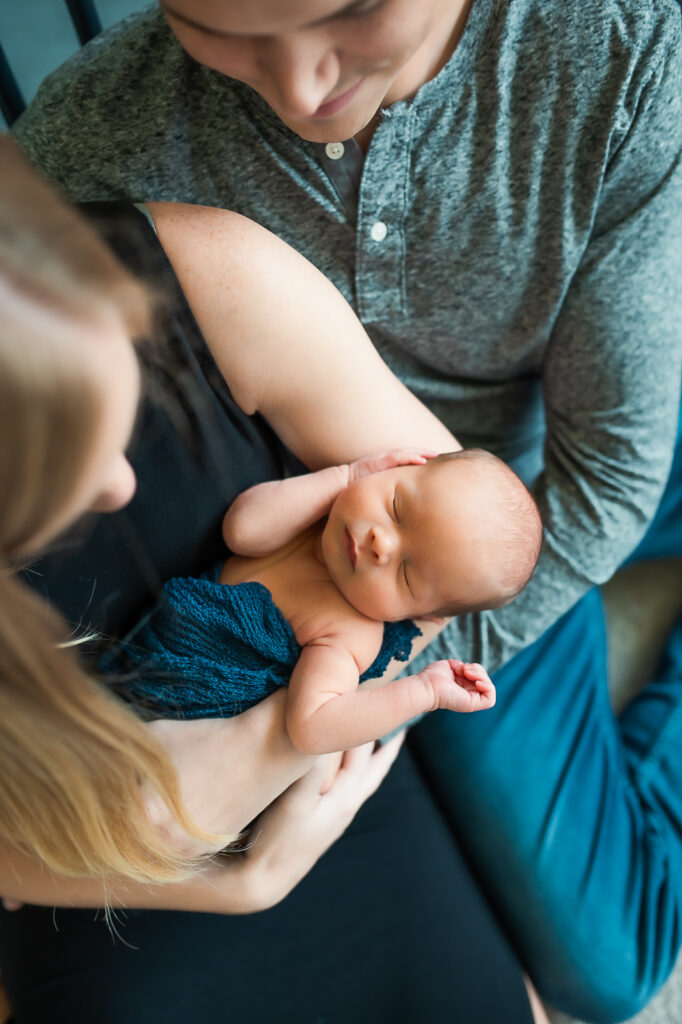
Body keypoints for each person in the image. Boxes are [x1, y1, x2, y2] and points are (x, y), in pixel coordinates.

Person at [12, 0, 682, 1018]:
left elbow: (608, 478)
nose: (300, 88)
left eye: (353, 11)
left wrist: (421, 635)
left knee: (610, 966)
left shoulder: (619, 52)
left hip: (501, 498)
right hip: (396, 512)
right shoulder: (88, 151)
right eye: (220, 26)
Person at [0, 139, 544, 1023]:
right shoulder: (344, 505)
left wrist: (355, 720)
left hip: (310, 792)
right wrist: (227, 881)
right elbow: (255, 522)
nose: (120, 487)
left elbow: (447, 570)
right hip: (81, 860)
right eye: (54, 473)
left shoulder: (221, 285)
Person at [111, 446, 541, 752]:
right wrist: (346, 476)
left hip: (166, 726)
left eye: (406, 572)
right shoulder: (314, 517)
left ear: (423, 614)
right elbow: (242, 531)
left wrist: (424, 691)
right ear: (398, 466)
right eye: (396, 506)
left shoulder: (349, 632)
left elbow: (313, 727)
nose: (380, 542)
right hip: (125, 657)